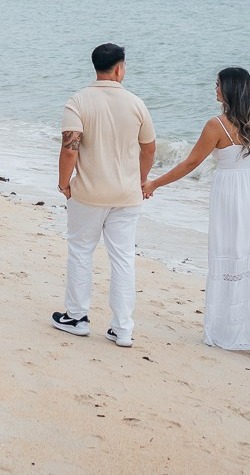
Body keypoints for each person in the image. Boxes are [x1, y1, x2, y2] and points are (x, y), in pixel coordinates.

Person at [144, 65, 250, 358]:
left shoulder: (217, 125)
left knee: (231, 258)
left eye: (217, 85)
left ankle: (230, 329)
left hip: (230, 199)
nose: (214, 89)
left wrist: (155, 184)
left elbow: (190, 164)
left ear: (228, 90)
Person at [52, 42, 157, 347]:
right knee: (123, 258)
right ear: (120, 69)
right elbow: (149, 147)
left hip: (88, 193)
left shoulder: (78, 101)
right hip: (126, 195)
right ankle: (123, 329)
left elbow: (70, 148)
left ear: (96, 67)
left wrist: (64, 184)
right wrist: (141, 179)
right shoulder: (137, 103)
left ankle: (77, 317)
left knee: (81, 251)